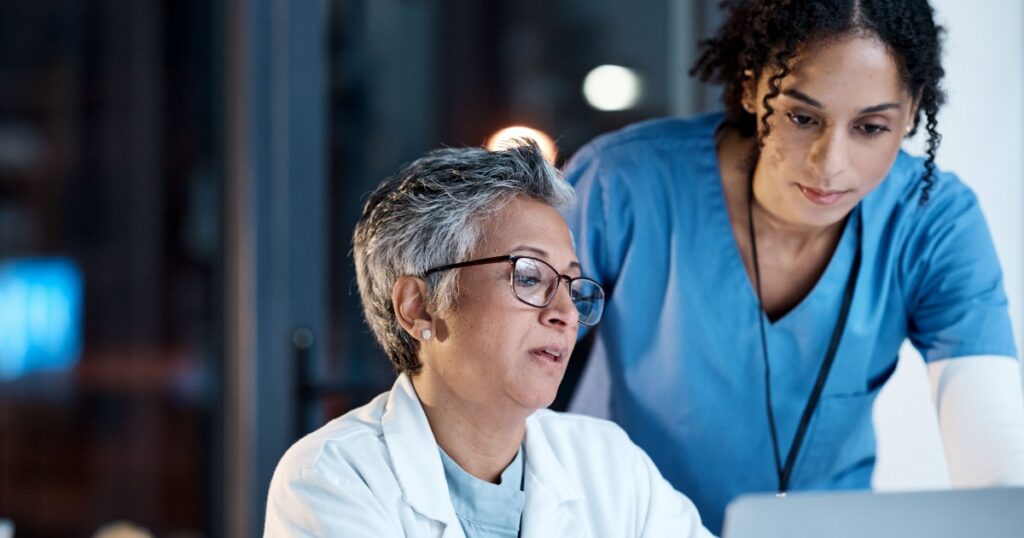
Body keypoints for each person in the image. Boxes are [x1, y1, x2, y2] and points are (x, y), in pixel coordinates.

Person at [563, 0, 1024, 533]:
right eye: (803, 118)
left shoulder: (932, 221)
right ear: (752, 87)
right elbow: (501, 371)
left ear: (914, 109)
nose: (831, 165)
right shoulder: (624, 182)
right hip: (623, 523)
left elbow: (996, 466)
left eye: (871, 127)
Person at [264, 142, 714, 537]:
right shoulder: (334, 477)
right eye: (529, 276)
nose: (564, 313)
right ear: (418, 307)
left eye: (573, 286)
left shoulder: (609, 463)